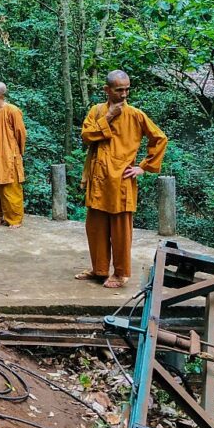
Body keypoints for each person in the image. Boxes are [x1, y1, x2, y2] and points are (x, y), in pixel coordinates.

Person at [76, 70, 168, 289]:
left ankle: (121, 273)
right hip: (98, 178)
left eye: (127, 89)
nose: (124, 94)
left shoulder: (135, 114)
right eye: (119, 90)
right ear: (107, 90)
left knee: (120, 231)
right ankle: (99, 270)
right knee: (95, 227)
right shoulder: (97, 111)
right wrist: (108, 117)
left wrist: (143, 167)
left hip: (121, 181)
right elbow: (87, 136)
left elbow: (160, 138)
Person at [0, 82, 27, 228]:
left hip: (9, 155)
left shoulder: (12, 110)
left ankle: (14, 219)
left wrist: (17, 153)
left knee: (10, 186)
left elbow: (20, 133)